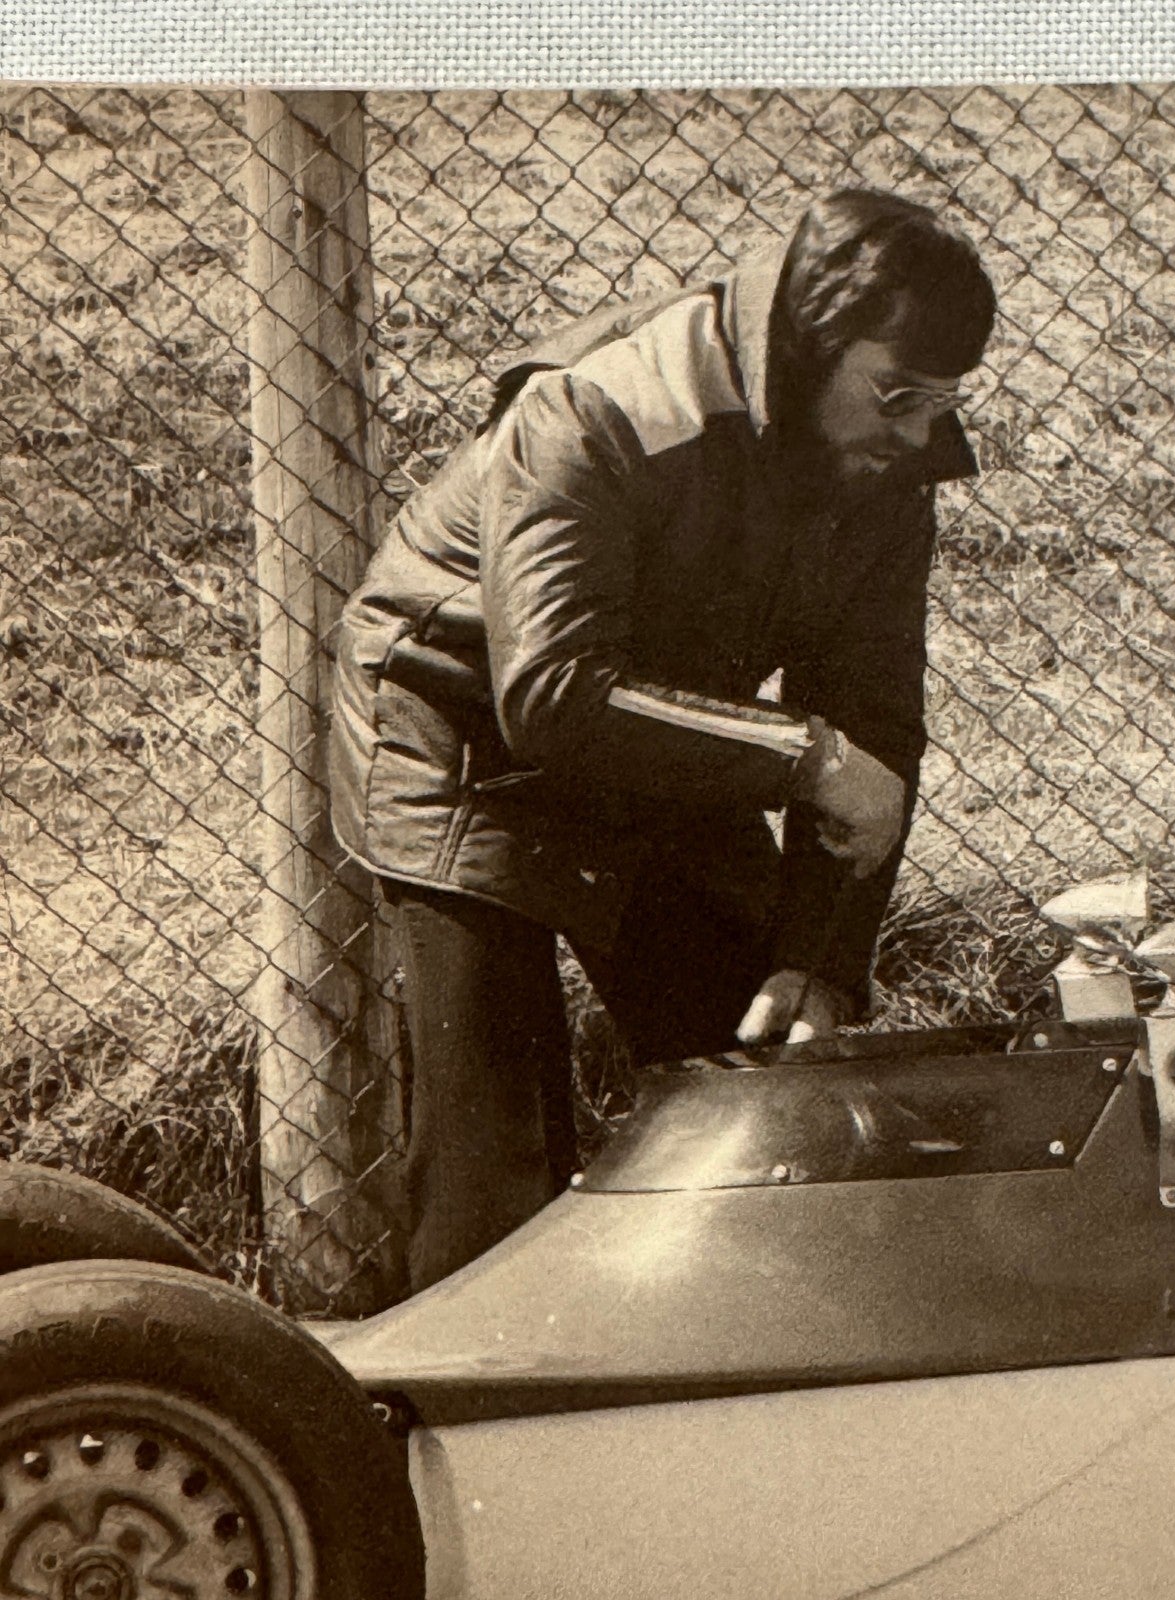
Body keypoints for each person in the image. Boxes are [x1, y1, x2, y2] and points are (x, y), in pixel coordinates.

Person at [330, 188, 998, 1291]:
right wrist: (805, 760)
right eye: (898, 396)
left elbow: (873, 724)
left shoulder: (881, 462)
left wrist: (819, 961)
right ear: (812, 343)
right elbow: (552, 692)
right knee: (497, 1178)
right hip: (468, 736)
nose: (922, 435)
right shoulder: (600, 406)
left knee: (776, 1103)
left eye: (943, 402)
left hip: (660, 731)